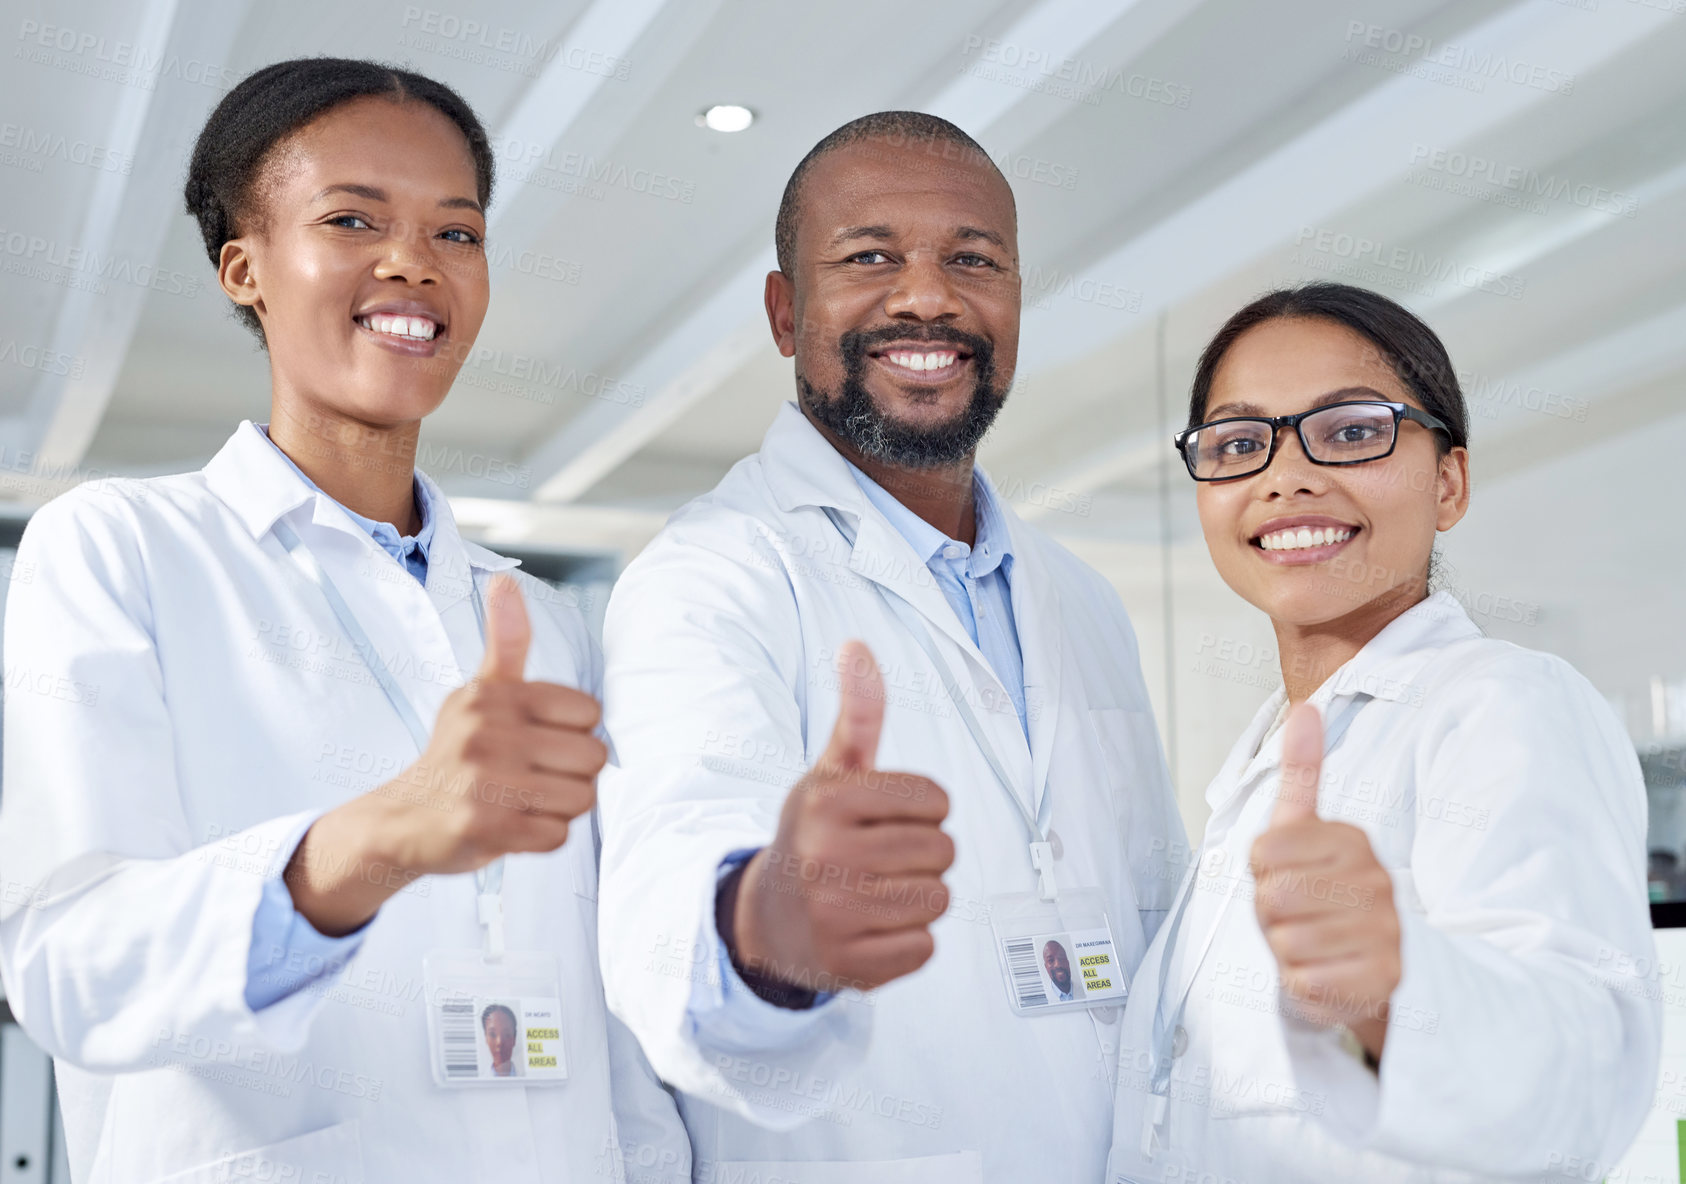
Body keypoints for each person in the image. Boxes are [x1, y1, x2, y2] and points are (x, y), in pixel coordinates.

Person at [0, 59, 687, 1183]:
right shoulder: (117, 548)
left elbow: (606, 1023)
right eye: (351, 218)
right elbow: (74, 963)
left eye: (455, 233)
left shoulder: (545, 622)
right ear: (245, 267)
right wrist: (371, 839)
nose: (413, 261)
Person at [596, 111, 1184, 1182]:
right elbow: (664, 887)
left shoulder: (1083, 600)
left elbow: (1147, 921)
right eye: (870, 257)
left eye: (974, 259)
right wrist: (772, 920)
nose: (928, 295)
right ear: (786, 312)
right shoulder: (709, 577)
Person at [1105, 283, 1660, 1182]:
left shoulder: (1505, 706)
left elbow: (1585, 1080)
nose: (1286, 477)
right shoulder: (1263, 769)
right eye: (1241, 443)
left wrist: (1397, 994)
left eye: (1353, 430)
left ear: (1449, 483)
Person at [482, 1004, 523, 1078]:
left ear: (514, 1039)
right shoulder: (478, 1083)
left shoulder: (527, 1078)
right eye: (492, 1034)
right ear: (486, 1038)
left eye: (506, 1035)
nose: (499, 1042)